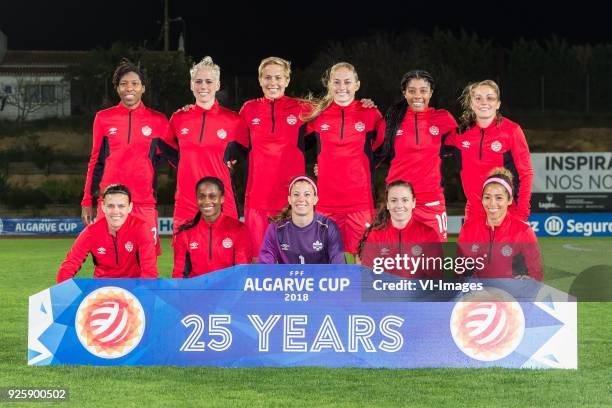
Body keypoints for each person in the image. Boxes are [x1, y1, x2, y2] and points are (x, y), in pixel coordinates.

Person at [81, 59, 173, 253]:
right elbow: (95, 161)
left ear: (143, 88)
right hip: (109, 204)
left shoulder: (158, 120)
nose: (129, 88)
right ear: (117, 89)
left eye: (134, 83)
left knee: (146, 265)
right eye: (123, 84)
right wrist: (87, 201)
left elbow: (179, 158)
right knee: (108, 263)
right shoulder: (103, 118)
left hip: (144, 203)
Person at [304, 62, 385, 256]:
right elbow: (298, 148)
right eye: (337, 82)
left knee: (365, 259)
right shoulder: (317, 115)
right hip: (326, 203)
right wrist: (321, 167)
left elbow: (383, 151)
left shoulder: (371, 114)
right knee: (327, 260)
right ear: (329, 84)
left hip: (360, 202)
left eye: (347, 82)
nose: (342, 87)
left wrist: (363, 169)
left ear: (357, 84)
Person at [239, 57, 311, 257]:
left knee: (294, 258)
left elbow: (325, 137)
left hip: (292, 200)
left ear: (287, 80)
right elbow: (235, 144)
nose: (273, 82)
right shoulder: (248, 109)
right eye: (267, 77)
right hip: (257, 198)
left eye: (278, 77)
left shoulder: (302, 109)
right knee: (256, 258)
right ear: (260, 80)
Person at [167, 56, 248, 232]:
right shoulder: (178, 118)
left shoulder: (234, 120)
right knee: (184, 258)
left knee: (227, 259)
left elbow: (248, 157)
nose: (203, 86)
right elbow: (170, 154)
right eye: (199, 81)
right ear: (191, 84)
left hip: (222, 203)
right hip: (186, 202)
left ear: (218, 85)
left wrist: (232, 164)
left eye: (209, 81)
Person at [379, 70, 457, 241]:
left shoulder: (443, 118)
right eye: (412, 90)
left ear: (431, 92)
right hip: (399, 201)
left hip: (431, 200)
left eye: (423, 90)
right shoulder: (391, 122)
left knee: (434, 262)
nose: (417, 95)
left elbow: (465, 147)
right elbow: (367, 154)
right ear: (404, 93)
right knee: (397, 261)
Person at [451, 79, 534, 222]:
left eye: (490, 98)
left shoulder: (512, 131)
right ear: (472, 103)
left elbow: (525, 174)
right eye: (478, 98)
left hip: (507, 213)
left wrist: (521, 214)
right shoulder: (460, 133)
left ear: (498, 104)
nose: (484, 102)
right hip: (474, 214)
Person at [57, 184, 158, 282]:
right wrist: (67, 294)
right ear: (103, 207)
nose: (116, 211)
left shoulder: (141, 228)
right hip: (101, 290)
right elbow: (68, 267)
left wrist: (142, 295)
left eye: (121, 206)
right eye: (110, 206)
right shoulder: (91, 232)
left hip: (133, 289)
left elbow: (149, 271)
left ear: (130, 207)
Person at [457, 168, 543, 280]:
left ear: (509, 200)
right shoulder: (469, 230)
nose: (492, 203)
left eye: (499, 198)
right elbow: (460, 272)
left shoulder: (523, 231)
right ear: (482, 200)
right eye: (487, 197)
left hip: (512, 295)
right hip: (478, 294)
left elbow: (536, 274)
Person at [357, 180, 443, 278]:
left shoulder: (428, 234)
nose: (399, 205)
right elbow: (367, 276)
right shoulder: (375, 235)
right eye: (394, 200)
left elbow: (435, 277)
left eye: (405, 200)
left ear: (413, 203)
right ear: (388, 204)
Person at [173, 177, 252, 278]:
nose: (206, 201)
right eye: (201, 197)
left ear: (222, 199)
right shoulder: (185, 233)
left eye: (212, 196)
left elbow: (242, 272)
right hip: (195, 292)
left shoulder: (239, 230)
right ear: (197, 199)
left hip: (228, 292)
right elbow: (179, 275)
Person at [259, 175, 345, 264]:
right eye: (296, 194)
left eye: (307, 194)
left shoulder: (328, 227)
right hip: (288, 278)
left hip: (321, 278)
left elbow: (339, 266)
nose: (301, 199)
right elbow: (265, 267)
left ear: (315, 199)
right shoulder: (275, 229)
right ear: (289, 199)